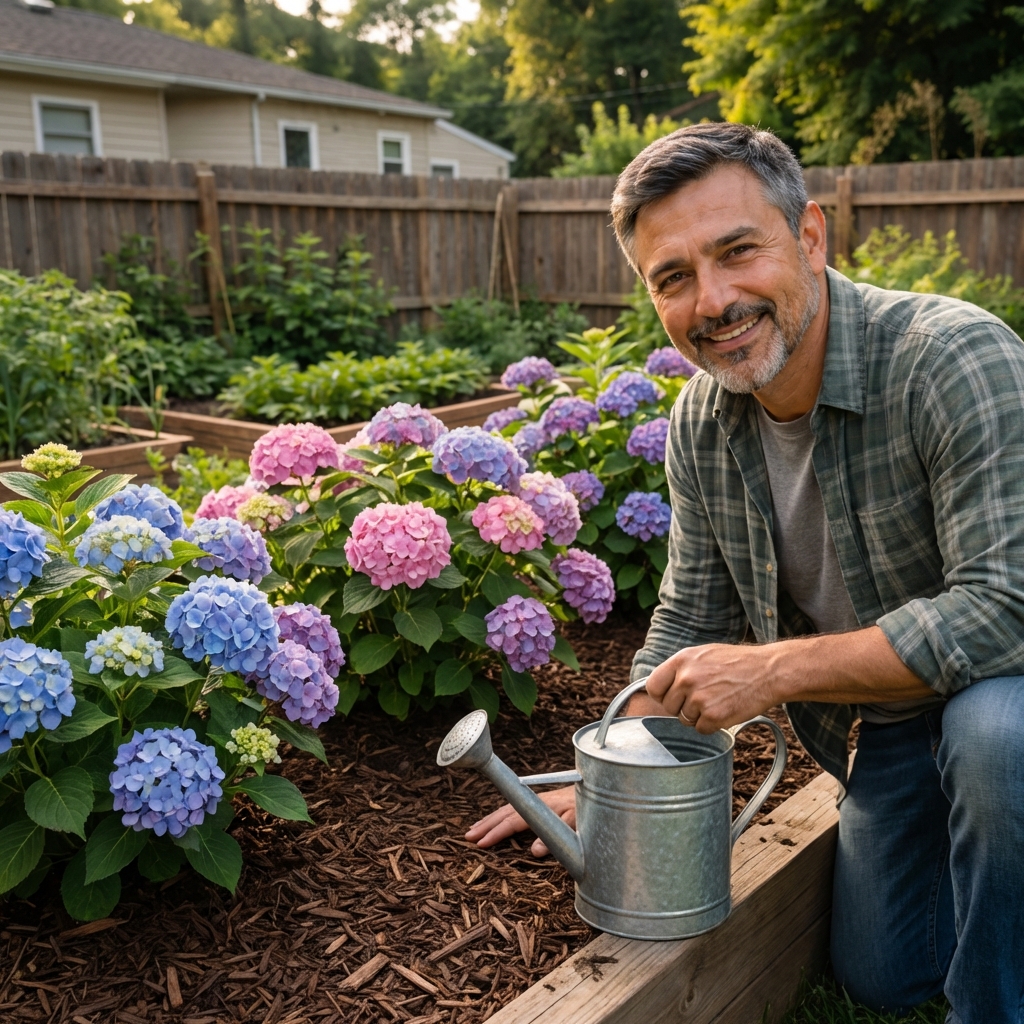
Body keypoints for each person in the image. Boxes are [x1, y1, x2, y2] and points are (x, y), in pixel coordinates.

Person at [465, 122, 1024, 1024]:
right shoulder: (703, 421)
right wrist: (610, 776)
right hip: (888, 729)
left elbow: (1006, 610)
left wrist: (771, 671)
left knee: (999, 741)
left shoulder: (949, 358)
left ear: (808, 235)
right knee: (880, 976)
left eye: (737, 252)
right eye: (673, 277)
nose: (714, 300)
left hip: (1006, 696)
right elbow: (691, 616)